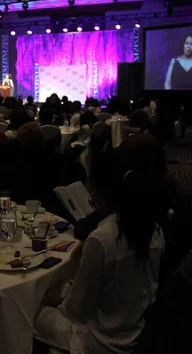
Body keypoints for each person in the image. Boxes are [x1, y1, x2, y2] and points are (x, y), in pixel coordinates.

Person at [34, 134, 167, 354]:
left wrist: (53, 300)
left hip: (99, 342)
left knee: (32, 313)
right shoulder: (154, 229)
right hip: (135, 332)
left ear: (98, 189)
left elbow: (76, 310)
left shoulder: (103, 239)